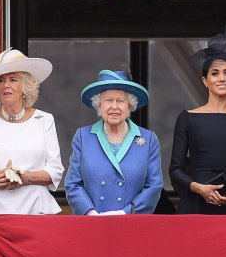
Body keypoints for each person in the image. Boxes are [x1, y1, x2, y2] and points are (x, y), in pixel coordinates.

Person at [170, 27, 226, 214]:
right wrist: (198, 188)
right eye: (215, 73)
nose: (222, 78)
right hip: (195, 203)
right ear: (205, 80)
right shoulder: (187, 117)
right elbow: (175, 170)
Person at [0, 49, 64, 215]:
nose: (6, 85)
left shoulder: (44, 120)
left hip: (35, 207)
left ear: (25, 86)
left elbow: (55, 170)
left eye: (13, 80)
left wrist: (26, 178)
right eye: (1, 81)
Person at [65, 70, 162, 215]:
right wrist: (90, 213)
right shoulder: (83, 137)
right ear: (99, 106)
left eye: (120, 101)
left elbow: (154, 186)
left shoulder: (148, 140)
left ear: (129, 106)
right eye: (108, 100)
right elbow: (73, 184)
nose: (114, 106)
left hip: (131, 223)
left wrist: (125, 213)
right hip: (91, 224)